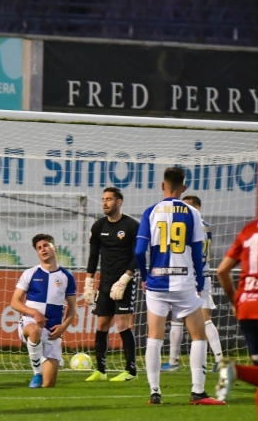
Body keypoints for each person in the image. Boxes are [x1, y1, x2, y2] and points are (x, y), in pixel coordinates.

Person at [135, 167, 223, 405]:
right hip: (184, 281)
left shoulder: (151, 212)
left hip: (157, 281)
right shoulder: (192, 213)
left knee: (154, 337)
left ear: (163, 185)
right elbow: (197, 252)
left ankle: (155, 392)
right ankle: (198, 392)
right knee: (198, 335)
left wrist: (145, 276)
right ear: (184, 187)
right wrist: (198, 282)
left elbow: (138, 251)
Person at [215, 215, 258, 421]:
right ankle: (235, 370)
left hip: (246, 306)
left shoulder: (251, 227)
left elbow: (222, 270)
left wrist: (236, 302)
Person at [83, 187, 139, 382]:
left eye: (109, 199)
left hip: (124, 283)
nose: (105, 203)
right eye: (103, 199)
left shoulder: (132, 226)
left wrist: (125, 279)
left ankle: (131, 371)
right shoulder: (98, 226)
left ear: (119, 202)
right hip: (105, 284)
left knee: (123, 323)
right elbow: (93, 255)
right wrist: (89, 283)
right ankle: (101, 370)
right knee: (102, 323)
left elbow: (138, 256)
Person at [162, 195, 223, 372]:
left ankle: (218, 359)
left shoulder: (193, 225)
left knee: (202, 319)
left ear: (197, 207)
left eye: (188, 206)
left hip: (192, 277)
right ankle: (173, 361)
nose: (184, 209)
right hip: (197, 275)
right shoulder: (205, 225)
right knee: (178, 318)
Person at [10, 234, 77, 388]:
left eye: (46, 245)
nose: (43, 249)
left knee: (49, 385)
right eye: (39, 248)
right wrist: (34, 313)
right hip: (30, 322)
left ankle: (43, 376)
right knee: (34, 330)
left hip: (53, 332)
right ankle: (37, 373)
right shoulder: (30, 273)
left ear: (55, 248)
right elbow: (14, 302)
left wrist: (63, 327)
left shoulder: (67, 276)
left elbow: (72, 307)